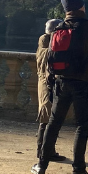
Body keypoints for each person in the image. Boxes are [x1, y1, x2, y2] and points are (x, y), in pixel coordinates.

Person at [32, 0, 88, 174]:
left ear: (66, 10)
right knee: (82, 127)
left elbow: (50, 59)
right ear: (81, 7)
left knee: (54, 122)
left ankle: (41, 165)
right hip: (83, 83)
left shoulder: (58, 28)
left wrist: (51, 84)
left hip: (61, 82)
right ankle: (78, 172)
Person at [35, 18, 66, 162]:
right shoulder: (49, 46)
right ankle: (44, 151)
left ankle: (45, 150)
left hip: (44, 84)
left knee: (46, 119)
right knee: (47, 119)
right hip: (48, 85)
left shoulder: (43, 43)